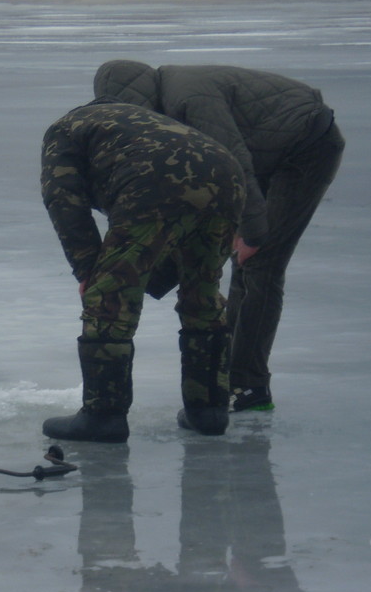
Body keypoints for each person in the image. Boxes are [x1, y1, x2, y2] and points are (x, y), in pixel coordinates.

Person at [93, 60, 345, 412]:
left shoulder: (188, 99)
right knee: (240, 262)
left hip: (307, 148)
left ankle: (249, 385)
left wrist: (253, 233)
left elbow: (234, 160)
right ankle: (226, 377)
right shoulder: (167, 107)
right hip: (268, 149)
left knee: (260, 264)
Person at [40, 98, 246, 443]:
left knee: (109, 300)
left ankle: (103, 415)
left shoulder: (63, 130)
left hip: (153, 182)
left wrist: (88, 271)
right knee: (203, 291)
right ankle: (208, 410)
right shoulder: (143, 122)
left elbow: (63, 198)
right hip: (227, 177)